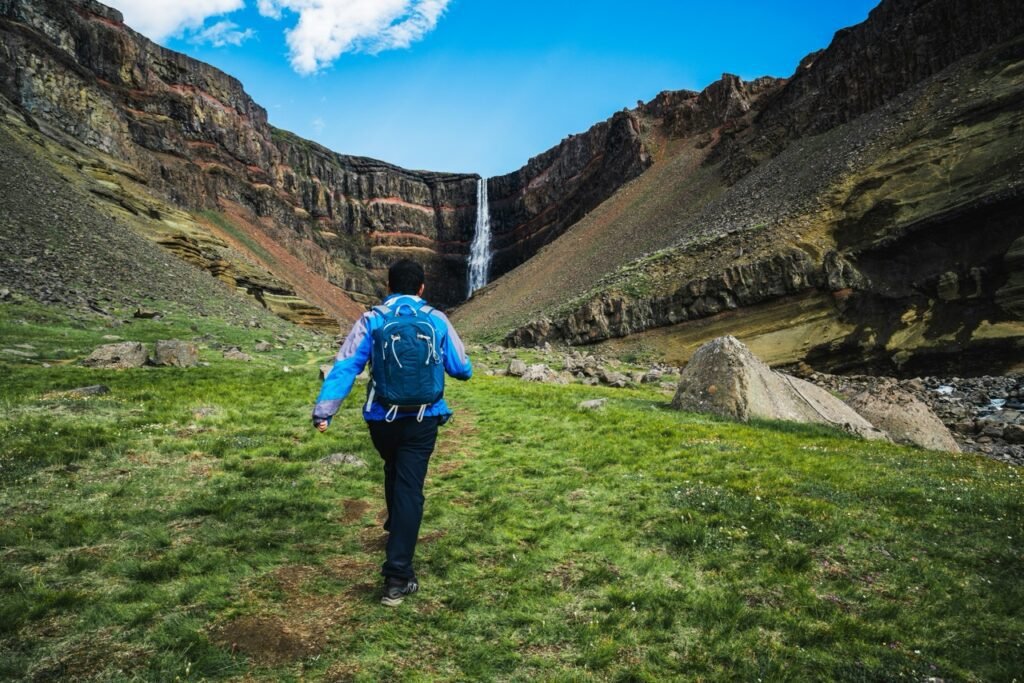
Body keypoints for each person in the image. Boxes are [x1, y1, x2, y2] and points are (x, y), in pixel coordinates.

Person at [312, 259, 472, 606]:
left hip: (381, 418)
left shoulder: (372, 319)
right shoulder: (436, 319)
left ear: (388, 286)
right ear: (422, 288)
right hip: (423, 418)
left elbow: (347, 365)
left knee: (393, 467)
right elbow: (462, 368)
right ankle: (398, 577)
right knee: (410, 488)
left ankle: (396, 528)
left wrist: (324, 411)